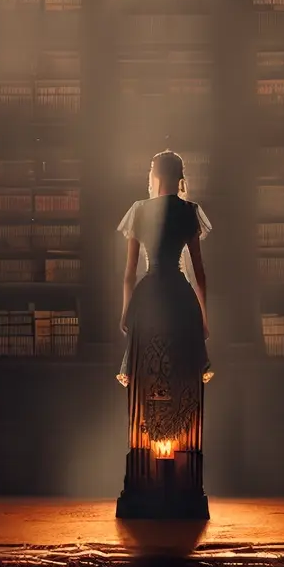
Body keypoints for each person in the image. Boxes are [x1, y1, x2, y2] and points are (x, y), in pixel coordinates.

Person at [116, 150, 212, 459]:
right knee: (182, 372)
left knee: (147, 372)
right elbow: (199, 274)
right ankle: (182, 447)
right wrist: (204, 317)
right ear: (180, 176)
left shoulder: (140, 210)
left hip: (149, 295)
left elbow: (130, 272)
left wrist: (126, 311)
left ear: (154, 175)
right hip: (180, 298)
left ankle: (147, 448)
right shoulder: (189, 211)